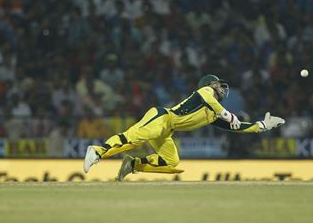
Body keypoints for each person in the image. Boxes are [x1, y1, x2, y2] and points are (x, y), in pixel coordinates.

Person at [83, 74, 286, 181]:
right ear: (209, 85)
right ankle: (97, 151)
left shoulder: (213, 114)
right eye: (217, 84)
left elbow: (236, 127)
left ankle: (132, 165)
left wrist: (261, 126)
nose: (220, 88)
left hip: (167, 131)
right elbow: (211, 100)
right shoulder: (205, 92)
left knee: (171, 163)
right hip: (161, 117)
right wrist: (228, 113)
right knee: (134, 138)